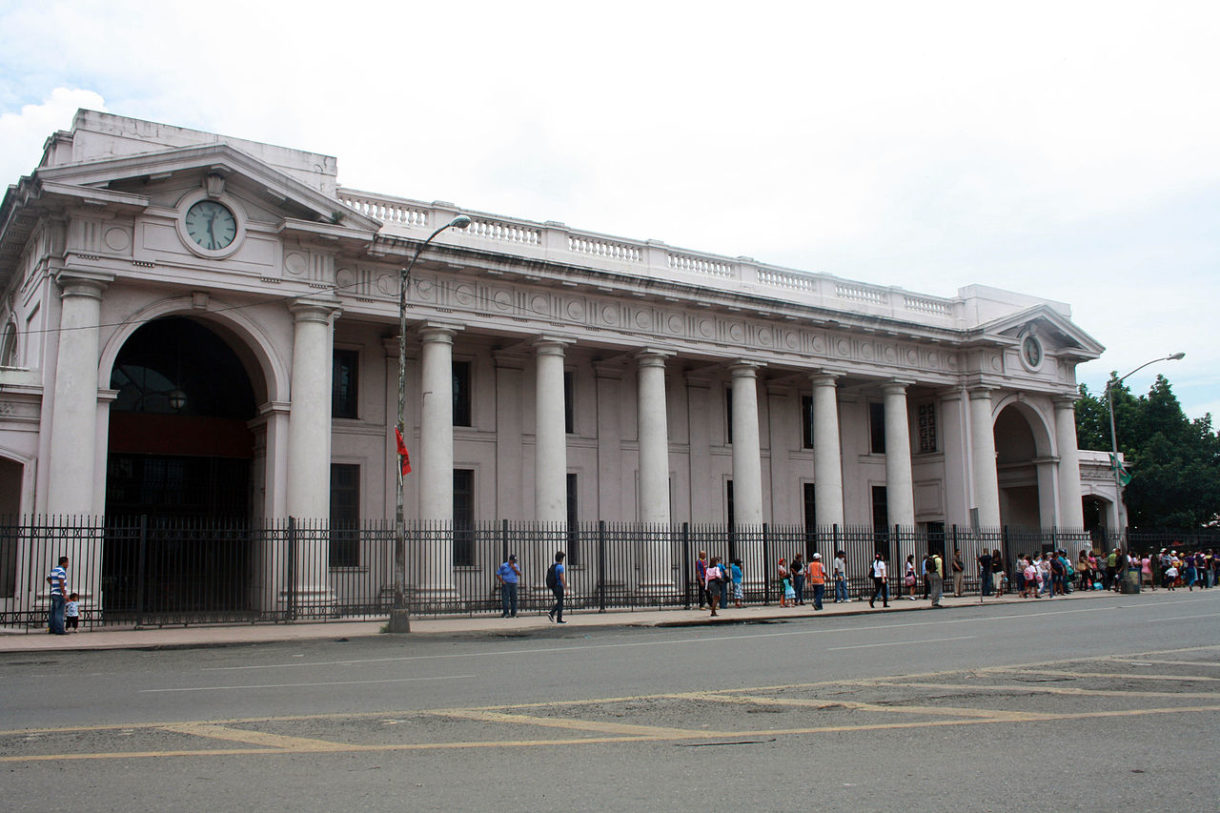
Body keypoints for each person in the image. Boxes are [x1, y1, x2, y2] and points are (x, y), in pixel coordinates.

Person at [46, 556, 68, 635]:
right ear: (64, 562)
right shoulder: (61, 571)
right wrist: (64, 594)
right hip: (59, 594)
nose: (68, 564)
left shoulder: (54, 570)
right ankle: (59, 630)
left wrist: (53, 584)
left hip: (54, 593)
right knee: (59, 612)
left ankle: (52, 628)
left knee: (54, 612)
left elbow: (48, 578)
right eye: (67, 563)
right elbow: (61, 582)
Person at [546, 551, 567, 623]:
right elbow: (562, 578)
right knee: (560, 602)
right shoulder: (560, 567)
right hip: (559, 586)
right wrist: (566, 588)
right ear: (561, 559)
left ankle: (553, 615)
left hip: (554, 586)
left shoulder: (553, 566)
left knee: (560, 602)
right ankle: (555, 616)